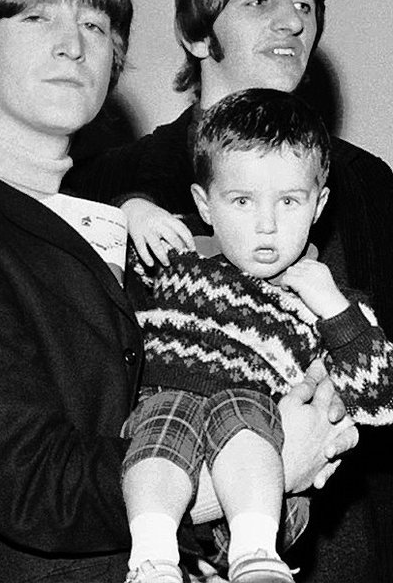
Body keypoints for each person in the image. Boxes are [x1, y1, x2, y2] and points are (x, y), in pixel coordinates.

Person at [0, 0, 356, 582]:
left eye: (96, 25)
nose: (73, 45)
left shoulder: (92, 213)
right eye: (37, 18)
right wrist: (257, 467)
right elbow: (28, 481)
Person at [65, 0, 393, 582]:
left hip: (335, 551)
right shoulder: (106, 183)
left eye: (305, 3)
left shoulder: (368, 185)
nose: (292, 21)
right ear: (196, 35)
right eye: (259, 0)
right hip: (157, 541)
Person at [120, 88, 393, 583]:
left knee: (240, 408)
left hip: (269, 493)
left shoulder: (326, 298)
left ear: (318, 204)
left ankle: (256, 557)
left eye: (289, 201)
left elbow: (380, 402)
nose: (266, 224)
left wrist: (334, 308)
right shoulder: (179, 255)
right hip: (164, 474)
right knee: (167, 410)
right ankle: (152, 561)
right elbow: (84, 252)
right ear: (204, 204)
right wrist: (131, 210)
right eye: (242, 200)